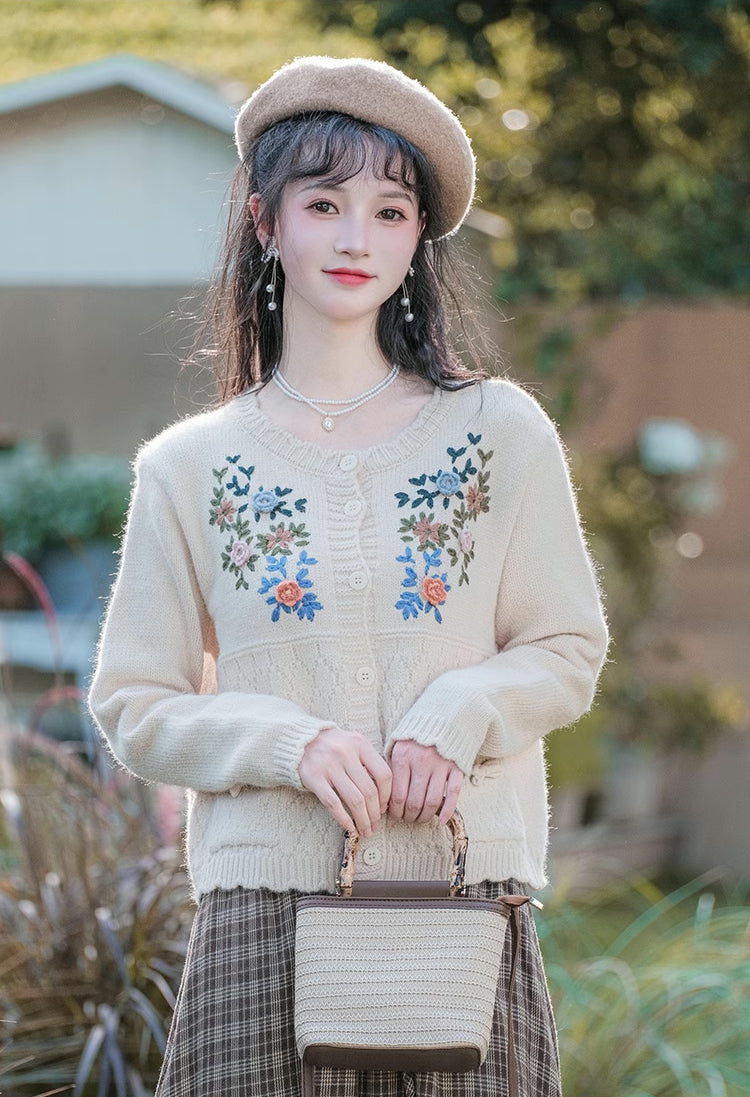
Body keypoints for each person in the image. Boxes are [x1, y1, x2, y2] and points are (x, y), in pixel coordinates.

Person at [89, 55, 608, 1097]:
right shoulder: (188, 464)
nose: (357, 236)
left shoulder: (497, 431)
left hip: (462, 907)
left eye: (390, 208)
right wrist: (291, 742)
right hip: (260, 912)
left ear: (419, 236)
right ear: (266, 221)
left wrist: (459, 707)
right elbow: (134, 704)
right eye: (324, 202)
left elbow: (567, 649)